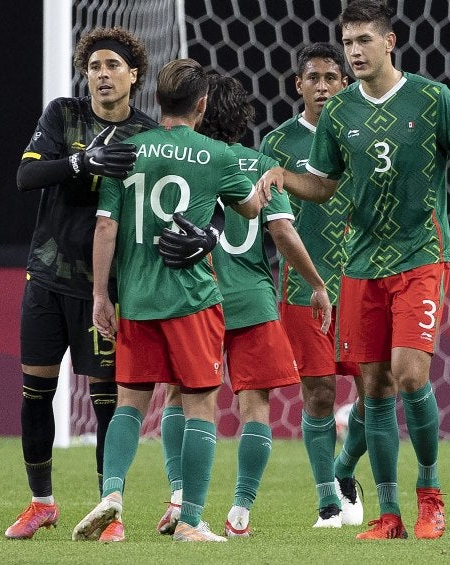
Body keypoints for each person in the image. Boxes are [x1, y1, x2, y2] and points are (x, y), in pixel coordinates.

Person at [259, 0, 450, 540]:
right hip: (360, 263)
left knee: (410, 374)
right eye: (347, 41)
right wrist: (283, 176)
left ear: (389, 41)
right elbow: (326, 186)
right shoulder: (338, 113)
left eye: (362, 41)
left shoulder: (430, 99)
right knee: (374, 389)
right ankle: (389, 514)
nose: (354, 52)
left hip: (421, 255)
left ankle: (431, 495)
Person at [71, 58, 262, 544]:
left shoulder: (125, 150)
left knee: (131, 403)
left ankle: (112, 495)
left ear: (158, 99)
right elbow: (253, 207)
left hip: (135, 300)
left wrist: (100, 294)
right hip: (192, 299)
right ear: (202, 104)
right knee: (200, 405)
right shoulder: (217, 155)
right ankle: (191, 520)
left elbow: (106, 226)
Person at [153, 73, 333, 538]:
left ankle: (179, 496)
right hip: (252, 299)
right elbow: (282, 233)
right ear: (239, 117)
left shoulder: (182, 161)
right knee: (255, 406)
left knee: (180, 396)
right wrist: (316, 283)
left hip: (194, 297)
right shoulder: (258, 163)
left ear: (199, 109)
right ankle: (241, 510)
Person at [5, 26, 157, 540]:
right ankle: (41, 502)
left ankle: (107, 509)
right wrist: (78, 161)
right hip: (47, 276)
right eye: (94, 67)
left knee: (106, 402)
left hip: (108, 288)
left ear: (133, 75)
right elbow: (26, 177)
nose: (101, 75)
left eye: (112, 65)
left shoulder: (148, 135)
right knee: (34, 393)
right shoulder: (62, 115)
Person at [260, 43, 367, 529]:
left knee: (379, 390)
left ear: (345, 83)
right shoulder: (277, 145)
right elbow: (263, 222)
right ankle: (328, 499)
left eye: (331, 77)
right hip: (305, 291)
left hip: (365, 283)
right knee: (320, 394)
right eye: (313, 78)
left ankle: (345, 472)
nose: (322, 86)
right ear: (298, 84)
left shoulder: (363, 134)